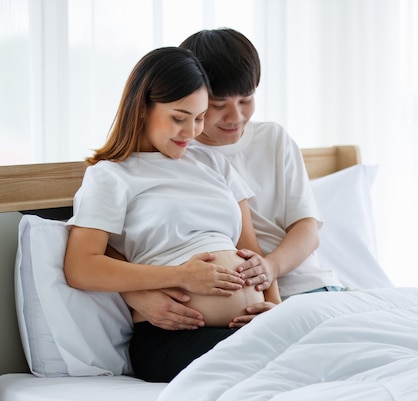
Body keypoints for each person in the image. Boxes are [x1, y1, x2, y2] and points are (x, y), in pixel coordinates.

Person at [63, 46, 280, 383]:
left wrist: (275, 311)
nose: (192, 132)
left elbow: (253, 254)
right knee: (279, 358)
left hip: (252, 328)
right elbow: (81, 266)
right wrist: (179, 276)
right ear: (141, 109)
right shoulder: (111, 176)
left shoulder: (214, 164)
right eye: (179, 118)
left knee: (303, 345)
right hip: (172, 337)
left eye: (199, 118)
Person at [122, 28, 346, 331]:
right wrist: (137, 296)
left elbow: (307, 229)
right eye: (217, 105)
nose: (235, 116)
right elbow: (124, 247)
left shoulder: (273, 139)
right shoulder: (177, 149)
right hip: (235, 310)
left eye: (247, 99)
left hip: (303, 285)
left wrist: (270, 268)